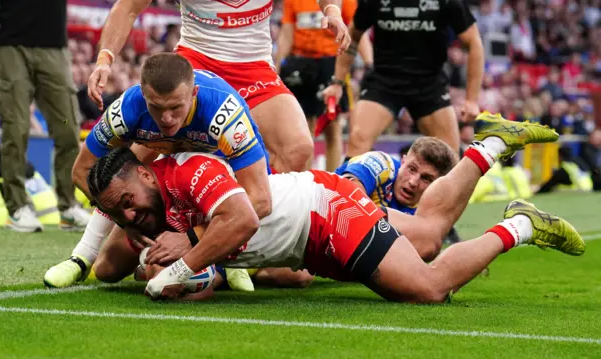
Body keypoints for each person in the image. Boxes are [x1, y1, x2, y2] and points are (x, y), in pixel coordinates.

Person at [85, 113, 584, 303]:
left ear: (148, 175)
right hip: (308, 235)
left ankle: (521, 224)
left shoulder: (191, 170)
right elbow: (109, 269)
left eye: (129, 203)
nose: (130, 214)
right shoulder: (148, 205)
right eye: (117, 211)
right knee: (429, 235)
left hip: (327, 209)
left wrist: (180, 260)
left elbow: (239, 220)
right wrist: (143, 251)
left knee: (428, 288)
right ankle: (491, 147)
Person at [43, 53, 272, 290]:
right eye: (156, 107)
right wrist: (126, 222)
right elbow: (82, 170)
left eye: (175, 107)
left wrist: (193, 237)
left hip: (221, 188)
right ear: (144, 95)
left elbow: (261, 200)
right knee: (107, 269)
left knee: (288, 275)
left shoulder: (223, 111)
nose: (166, 117)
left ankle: (227, 264)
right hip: (172, 177)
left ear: (193, 94)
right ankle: (82, 257)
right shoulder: (127, 108)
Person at [87, 0, 350, 173]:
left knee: (298, 149)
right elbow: (127, 8)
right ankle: (98, 244)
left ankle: (254, 241)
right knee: (147, 148)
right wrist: (104, 60)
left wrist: (332, 12)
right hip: (196, 63)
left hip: (253, 68)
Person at [322, 0, 484, 160]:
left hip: (429, 84)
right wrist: (337, 82)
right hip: (384, 82)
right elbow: (353, 36)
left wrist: (472, 100)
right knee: (357, 140)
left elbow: (474, 42)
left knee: (450, 156)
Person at [0, 0, 91, 232]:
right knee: (15, 127)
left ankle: (68, 206)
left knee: (68, 128)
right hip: (12, 41)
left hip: (53, 43)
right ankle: (17, 207)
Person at [275, 0, 371, 171]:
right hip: (300, 64)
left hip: (331, 64)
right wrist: (276, 68)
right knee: (303, 129)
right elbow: (286, 34)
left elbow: (357, 31)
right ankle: (307, 179)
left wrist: (369, 63)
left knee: (332, 128)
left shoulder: (344, 1)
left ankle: (333, 178)